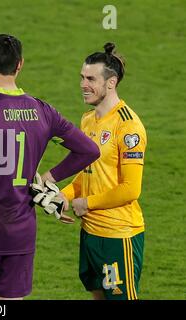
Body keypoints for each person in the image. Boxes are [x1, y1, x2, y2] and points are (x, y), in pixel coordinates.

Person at [0, 34, 100, 300]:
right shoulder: (43, 111)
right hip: (22, 232)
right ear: (20, 65)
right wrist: (49, 176)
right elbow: (89, 150)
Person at [59, 43, 147, 300]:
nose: (83, 84)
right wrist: (63, 195)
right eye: (82, 78)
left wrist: (86, 203)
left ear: (111, 83)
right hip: (90, 233)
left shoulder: (128, 126)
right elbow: (87, 172)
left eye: (90, 79)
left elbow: (131, 189)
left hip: (118, 236)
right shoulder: (88, 120)